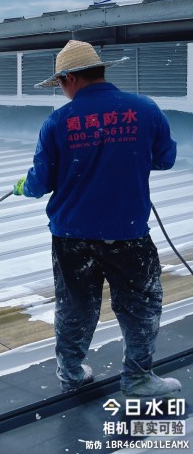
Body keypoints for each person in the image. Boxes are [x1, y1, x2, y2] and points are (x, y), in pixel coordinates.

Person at [13, 39, 179, 396]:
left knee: (75, 306)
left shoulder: (57, 122)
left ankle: (71, 373)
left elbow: (41, 182)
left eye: (60, 83)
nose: (61, 90)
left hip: (72, 234)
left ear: (70, 78)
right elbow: (165, 159)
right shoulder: (145, 109)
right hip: (126, 232)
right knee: (140, 304)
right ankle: (137, 378)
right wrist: (126, 156)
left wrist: (24, 185)